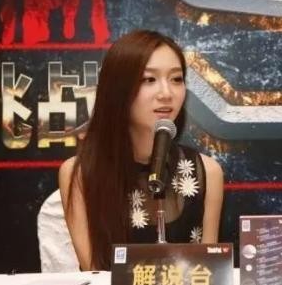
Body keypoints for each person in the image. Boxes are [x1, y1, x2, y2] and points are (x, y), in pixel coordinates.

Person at [59, 30, 224, 270]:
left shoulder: (208, 172)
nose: (166, 93)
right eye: (149, 80)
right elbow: (95, 272)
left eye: (176, 79)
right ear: (118, 89)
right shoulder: (80, 174)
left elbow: (208, 272)